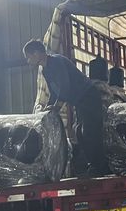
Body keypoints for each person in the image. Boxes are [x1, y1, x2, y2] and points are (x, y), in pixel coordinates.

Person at [22, 39, 109, 176]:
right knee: (79, 132)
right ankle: (94, 165)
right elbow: (54, 92)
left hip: (89, 97)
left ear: (36, 53)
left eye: (28, 57)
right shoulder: (45, 70)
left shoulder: (57, 62)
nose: (28, 61)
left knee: (90, 132)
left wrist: (55, 108)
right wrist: (48, 107)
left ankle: (101, 167)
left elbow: (65, 88)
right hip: (79, 102)